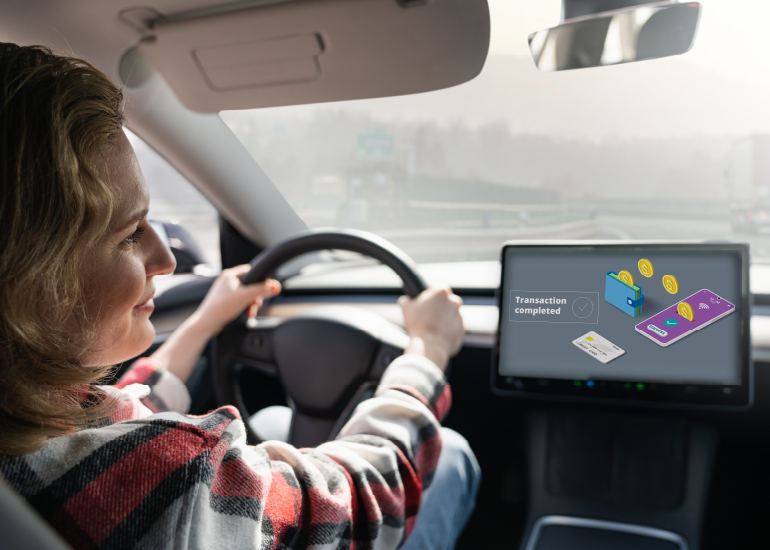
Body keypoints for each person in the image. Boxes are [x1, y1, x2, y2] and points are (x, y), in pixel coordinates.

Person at [0, 43, 480, 549]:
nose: (165, 259)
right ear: (31, 277)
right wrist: (426, 353)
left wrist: (204, 324)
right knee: (447, 453)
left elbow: (102, 417)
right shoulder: (166, 478)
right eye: (129, 233)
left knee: (274, 422)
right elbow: (362, 502)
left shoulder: (33, 424)